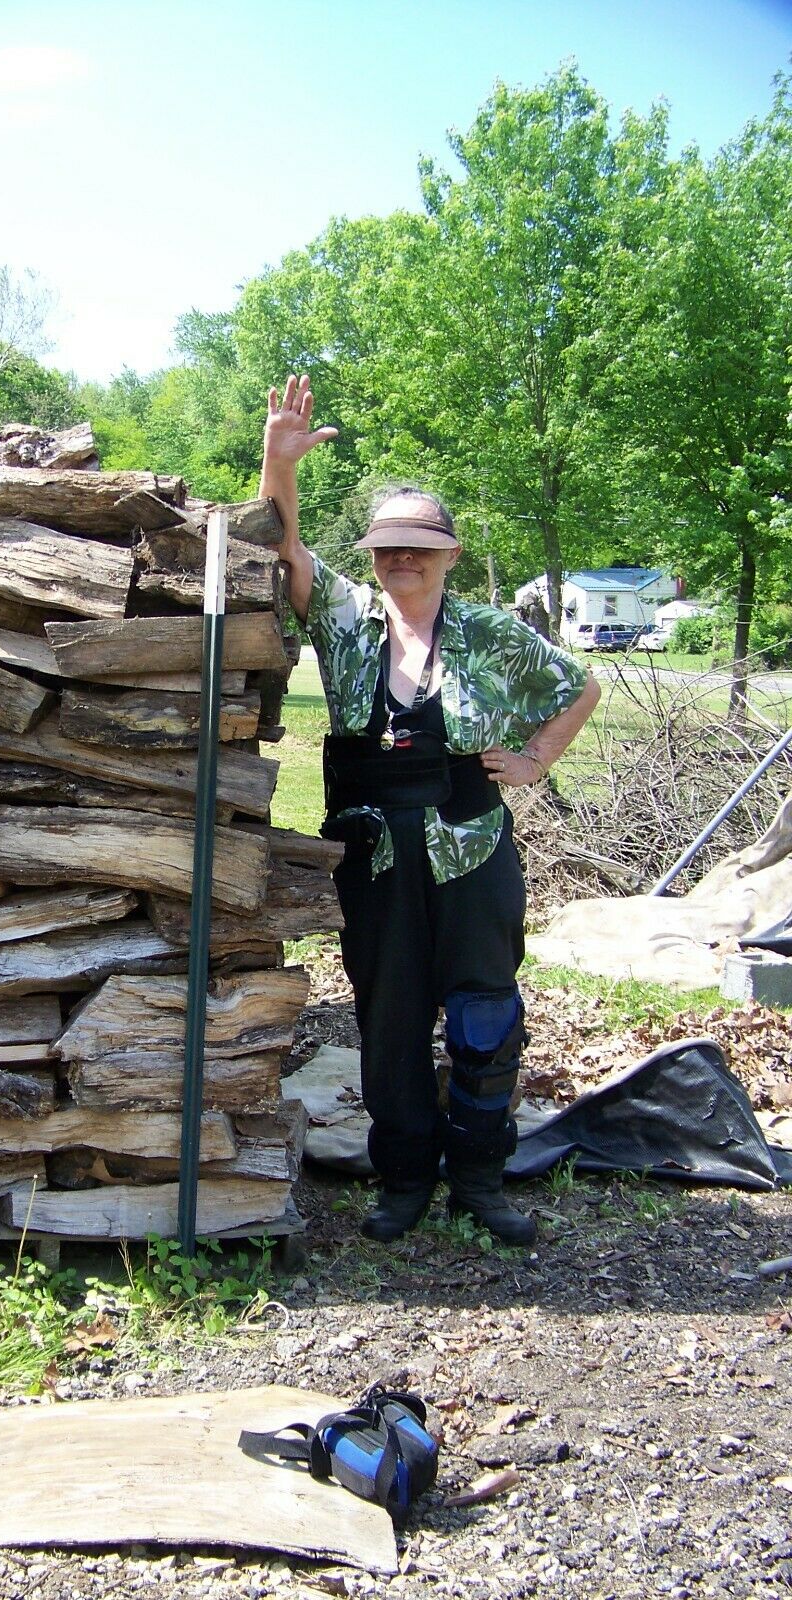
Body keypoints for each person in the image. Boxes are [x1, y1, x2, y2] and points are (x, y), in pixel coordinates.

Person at [261, 375, 601, 1246]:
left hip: (475, 847)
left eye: (419, 547)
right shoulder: (345, 621)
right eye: (387, 549)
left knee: (485, 1014)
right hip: (375, 855)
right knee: (391, 1018)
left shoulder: (489, 634)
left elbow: (580, 685)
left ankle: (482, 1179)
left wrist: (535, 759)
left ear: (449, 553)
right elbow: (286, 548)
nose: (400, 560)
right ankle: (405, 1177)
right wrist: (279, 460)